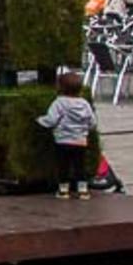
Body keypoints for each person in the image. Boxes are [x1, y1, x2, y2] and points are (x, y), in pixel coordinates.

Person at [36, 69, 97, 198]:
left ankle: (64, 190)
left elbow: (51, 120)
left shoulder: (59, 103)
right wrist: (86, 130)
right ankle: (83, 190)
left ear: (60, 88)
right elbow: (92, 122)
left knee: (63, 166)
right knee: (80, 166)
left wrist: (39, 120)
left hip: (62, 141)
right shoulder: (84, 104)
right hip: (80, 141)